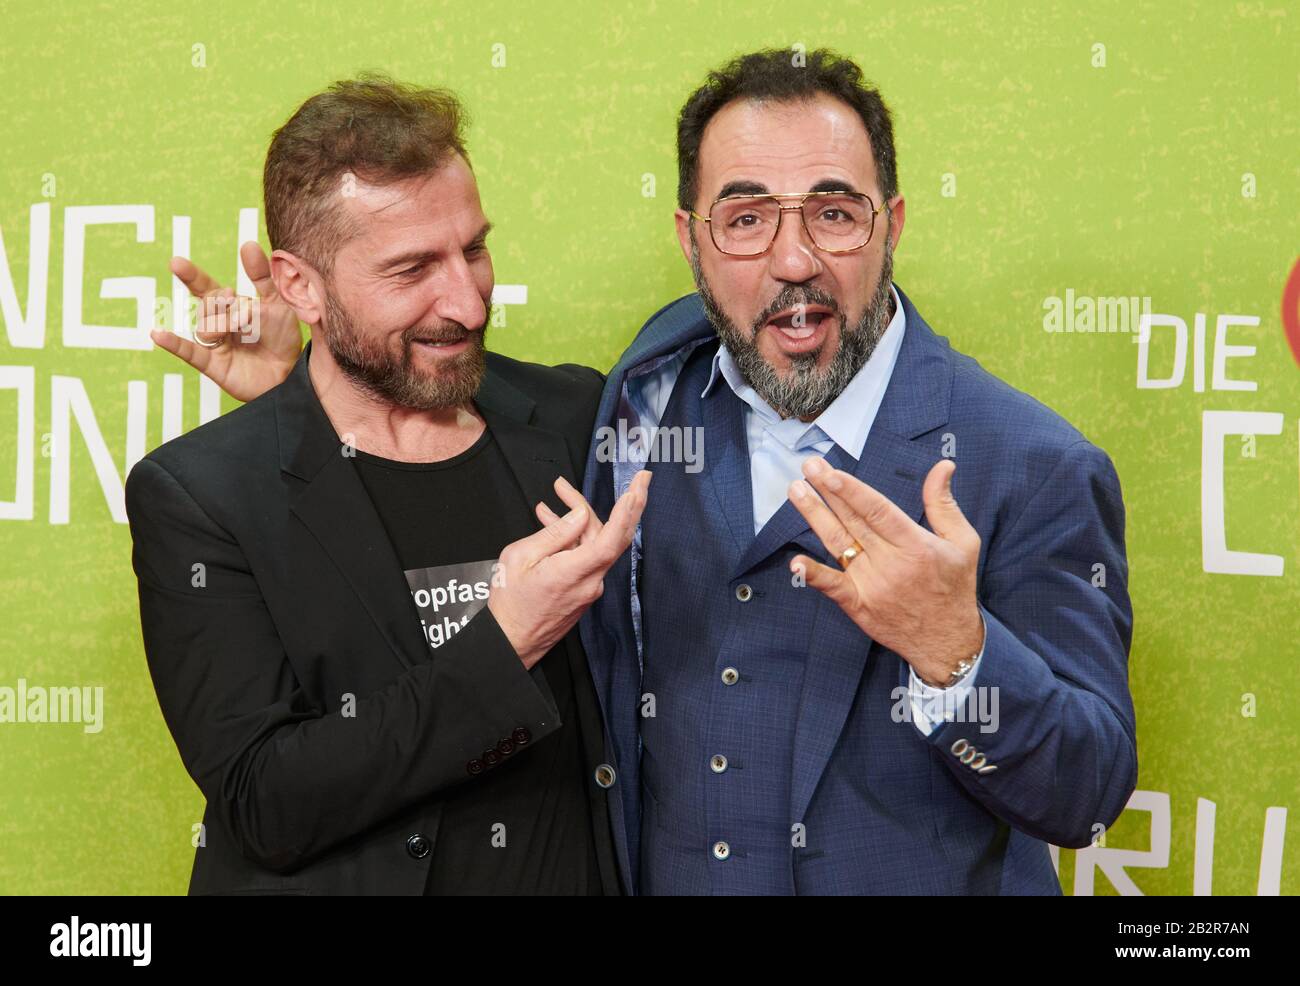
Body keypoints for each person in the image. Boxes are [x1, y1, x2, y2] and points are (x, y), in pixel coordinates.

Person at [163, 49, 1137, 896]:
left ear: (891, 223)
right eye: (745, 217)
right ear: (690, 242)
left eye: (835, 214)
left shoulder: (1031, 464)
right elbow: (421, 449)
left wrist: (957, 656)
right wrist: (310, 380)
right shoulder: (626, 411)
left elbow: (1084, 792)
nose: (793, 259)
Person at [126, 75, 649, 895]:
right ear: (301, 286)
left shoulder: (574, 414)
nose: (469, 303)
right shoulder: (199, 497)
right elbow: (265, 801)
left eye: (473, 249)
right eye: (412, 270)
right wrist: (502, 643)